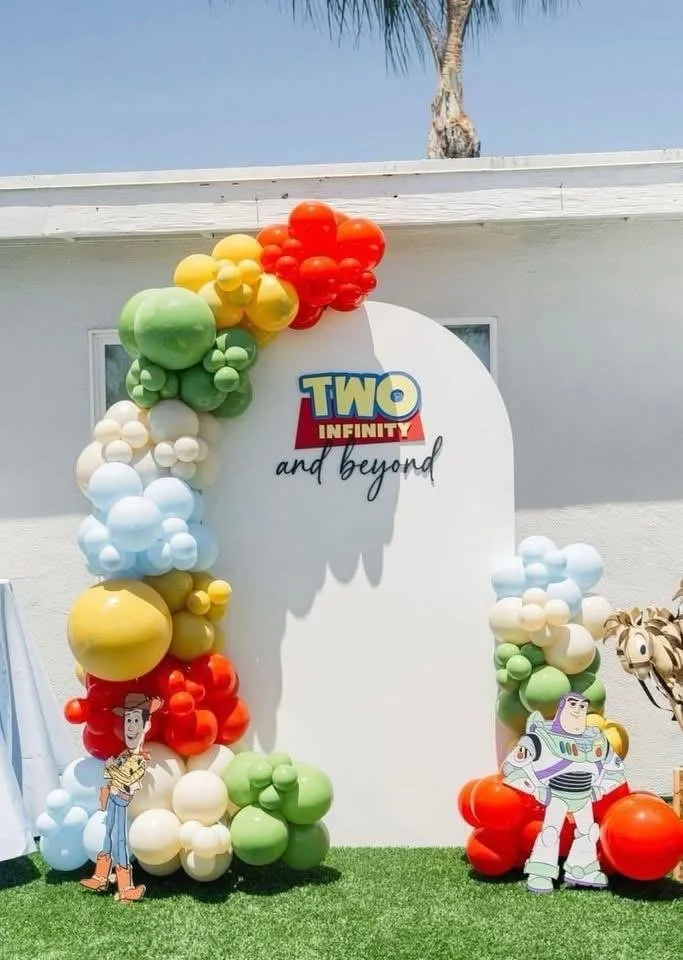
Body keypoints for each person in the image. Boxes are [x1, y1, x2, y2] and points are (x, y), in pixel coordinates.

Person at [502, 692, 626, 893]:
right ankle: (540, 874)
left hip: (585, 795)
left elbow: (615, 769)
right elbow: (512, 767)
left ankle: (582, 870)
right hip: (556, 794)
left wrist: (600, 788)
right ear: (561, 709)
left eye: (583, 706)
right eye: (573, 704)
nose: (578, 709)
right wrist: (536, 788)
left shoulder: (596, 739)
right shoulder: (540, 737)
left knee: (589, 831)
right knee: (551, 831)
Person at [80, 692, 162, 902]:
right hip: (114, 798)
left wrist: (114, 772)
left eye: (136, 720)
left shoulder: (139, 761)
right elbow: (110, 773)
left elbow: (127, 780)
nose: (130, 727)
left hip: (122, 799)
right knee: (107, 833)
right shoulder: (125, 755)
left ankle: (126, 888)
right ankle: (100, 876)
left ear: (145, 727)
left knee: (119, 839)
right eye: (128, 720)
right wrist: (113, 771)